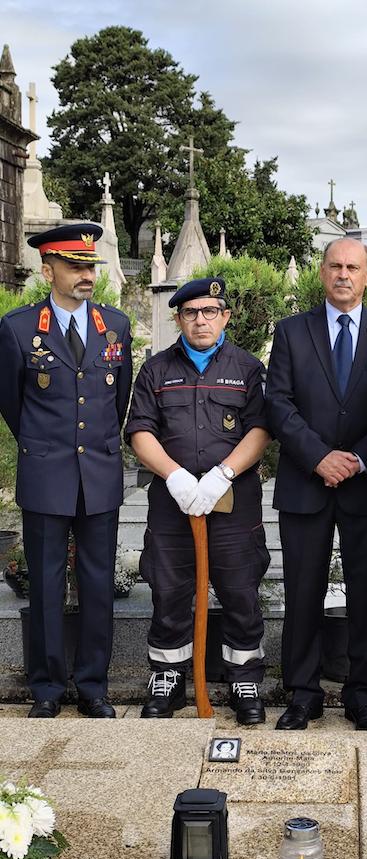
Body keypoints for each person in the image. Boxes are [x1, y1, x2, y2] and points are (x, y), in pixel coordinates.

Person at [265, 238, 367, 731]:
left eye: (353, 267)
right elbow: (278, 404)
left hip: (366, 485)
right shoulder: (291, 332)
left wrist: (359, 458)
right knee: (303, 591)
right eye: (335, 266)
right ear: (321, 274)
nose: (344, 274)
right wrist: (319, 457)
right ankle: (302, 694)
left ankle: (362, 695)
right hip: (307, 482)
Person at [0, 223, 132, 718]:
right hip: (46, 476)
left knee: (98, 582)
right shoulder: (17, 329)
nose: (85, 276)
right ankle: (48, 689)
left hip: (98, 474)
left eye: (89, 267)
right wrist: (47, 447)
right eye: (74, 267)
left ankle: (94, 686)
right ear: (47, 269)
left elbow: (117, 401)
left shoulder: (114, 326)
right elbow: (12, 404)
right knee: (47, 582)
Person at [125, 277, 271, 723]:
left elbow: (260, 429)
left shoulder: (247, 368)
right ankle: (167, 676)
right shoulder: (156, 370)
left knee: (240, 590)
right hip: (173, 504)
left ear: (225, 316)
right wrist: (174, 476)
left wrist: (223, 474)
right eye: (191, 313)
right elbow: (139, 431)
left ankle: (244, 677)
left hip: (232, 504)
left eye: (210, 311)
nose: (201, 320)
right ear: (178, 319)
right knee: (169, 590)